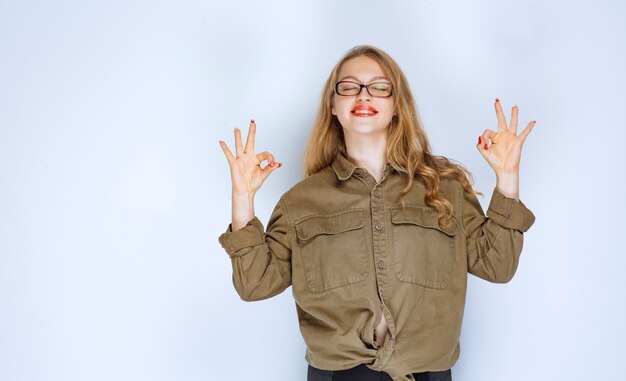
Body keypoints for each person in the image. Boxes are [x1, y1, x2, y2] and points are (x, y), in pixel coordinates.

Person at [218, 45, 536, 381]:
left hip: (425, 374)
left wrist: (508, 178)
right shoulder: (301, 202)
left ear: (397, 105)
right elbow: (255, 285)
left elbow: (498, 266)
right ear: (333, 105)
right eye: (349, 86)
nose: (363, 96)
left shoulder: (446, 189)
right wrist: (242, 197)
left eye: (379, 87)